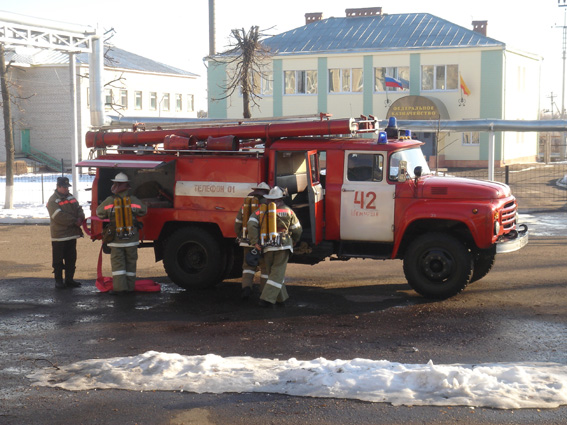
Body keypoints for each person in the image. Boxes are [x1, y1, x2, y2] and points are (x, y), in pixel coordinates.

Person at [247, 186, 302, 307]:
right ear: (281, 199)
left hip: (266, 245)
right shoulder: (288, 211)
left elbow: (251, 224)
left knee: (273, 273)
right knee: (277, 273)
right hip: (283, 245)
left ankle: (282, 299)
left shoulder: (260, 211)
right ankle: (266, 299)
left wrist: (255, 241)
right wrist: (294, 240)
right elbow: (297, 229)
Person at [96, 172, 147, 294]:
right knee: (131, 264)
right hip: (131, 239)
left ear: (116, 186)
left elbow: (99, 213)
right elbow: (143, 211)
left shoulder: (109, 201)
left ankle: (120, 289)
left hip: (116, 240)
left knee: (118, 265)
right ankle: (129, 287)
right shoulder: (133, 200)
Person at [46, 176, 85, 289]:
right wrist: (75, 221)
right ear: (58, 187)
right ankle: (59, 281)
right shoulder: (53, 200)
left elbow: (79, 209)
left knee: (71, 258)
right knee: (58, 260)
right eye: (64, 187)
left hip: (71, 234)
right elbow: (58, 216)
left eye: (67, 187)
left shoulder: (70, 197)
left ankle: (69, 280)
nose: (66, 189)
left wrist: (80, 217)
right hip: (60, 236)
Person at [234, 182, 271, 299]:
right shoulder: (270, 206)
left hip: (248, 240)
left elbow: (238, 223)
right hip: (265, 242)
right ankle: (263, 292)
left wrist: (240, 234)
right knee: (265, 268)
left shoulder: (246, 204)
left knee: (248, 266)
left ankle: (246, 288)